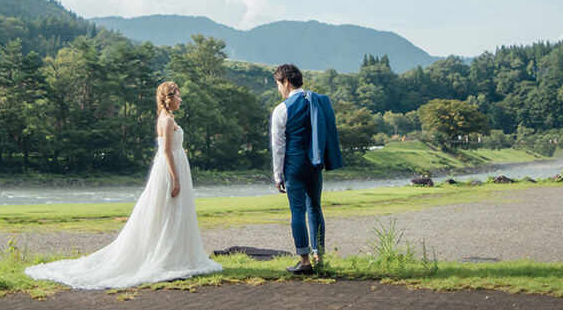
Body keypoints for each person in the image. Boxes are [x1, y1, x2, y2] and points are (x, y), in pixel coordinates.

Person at [24, 81, 222, 289]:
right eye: (178, 96)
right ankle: (167, 255)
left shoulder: (167, 118)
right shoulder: (167, 121)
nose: (181, 100)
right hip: (170, 168)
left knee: (175, 212)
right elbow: (166, 151)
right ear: (169, 98)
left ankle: (176, 253)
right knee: (170, 210)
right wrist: (176, 178)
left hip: (174, 165)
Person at [270, 62, 343, 274]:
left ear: (285, 82)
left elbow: (278, 146)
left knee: (297, 212)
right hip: (315, 163)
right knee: (315, 208)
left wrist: (277, 176)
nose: (278, 89)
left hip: (294, 165)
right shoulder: (318, 101)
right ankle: (318, 255)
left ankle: (304, 262)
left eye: (278, 84)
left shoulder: (281, 110)